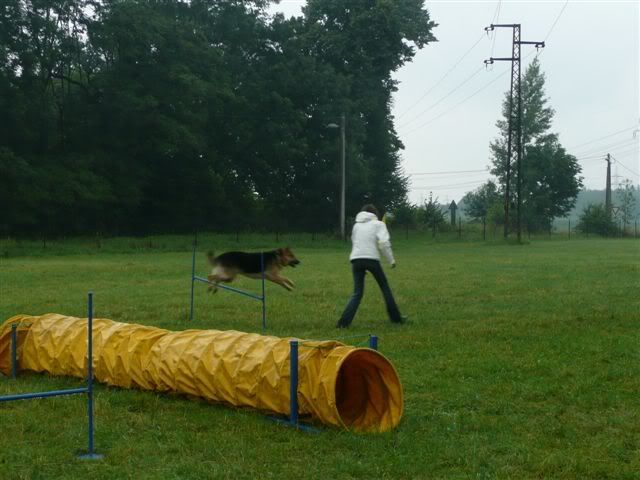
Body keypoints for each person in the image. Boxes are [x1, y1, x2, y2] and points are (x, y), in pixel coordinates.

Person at [337, 204, 406, 328]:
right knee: (385, 288)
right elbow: (384, 243)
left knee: (357, 293)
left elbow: (355, 241)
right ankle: (396, 319)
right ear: (375, 214)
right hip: (371, 259)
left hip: (356, 260)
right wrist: (391, 260)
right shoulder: (379, 224)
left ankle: (343, 323)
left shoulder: (356, 226)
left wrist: (360, 261)